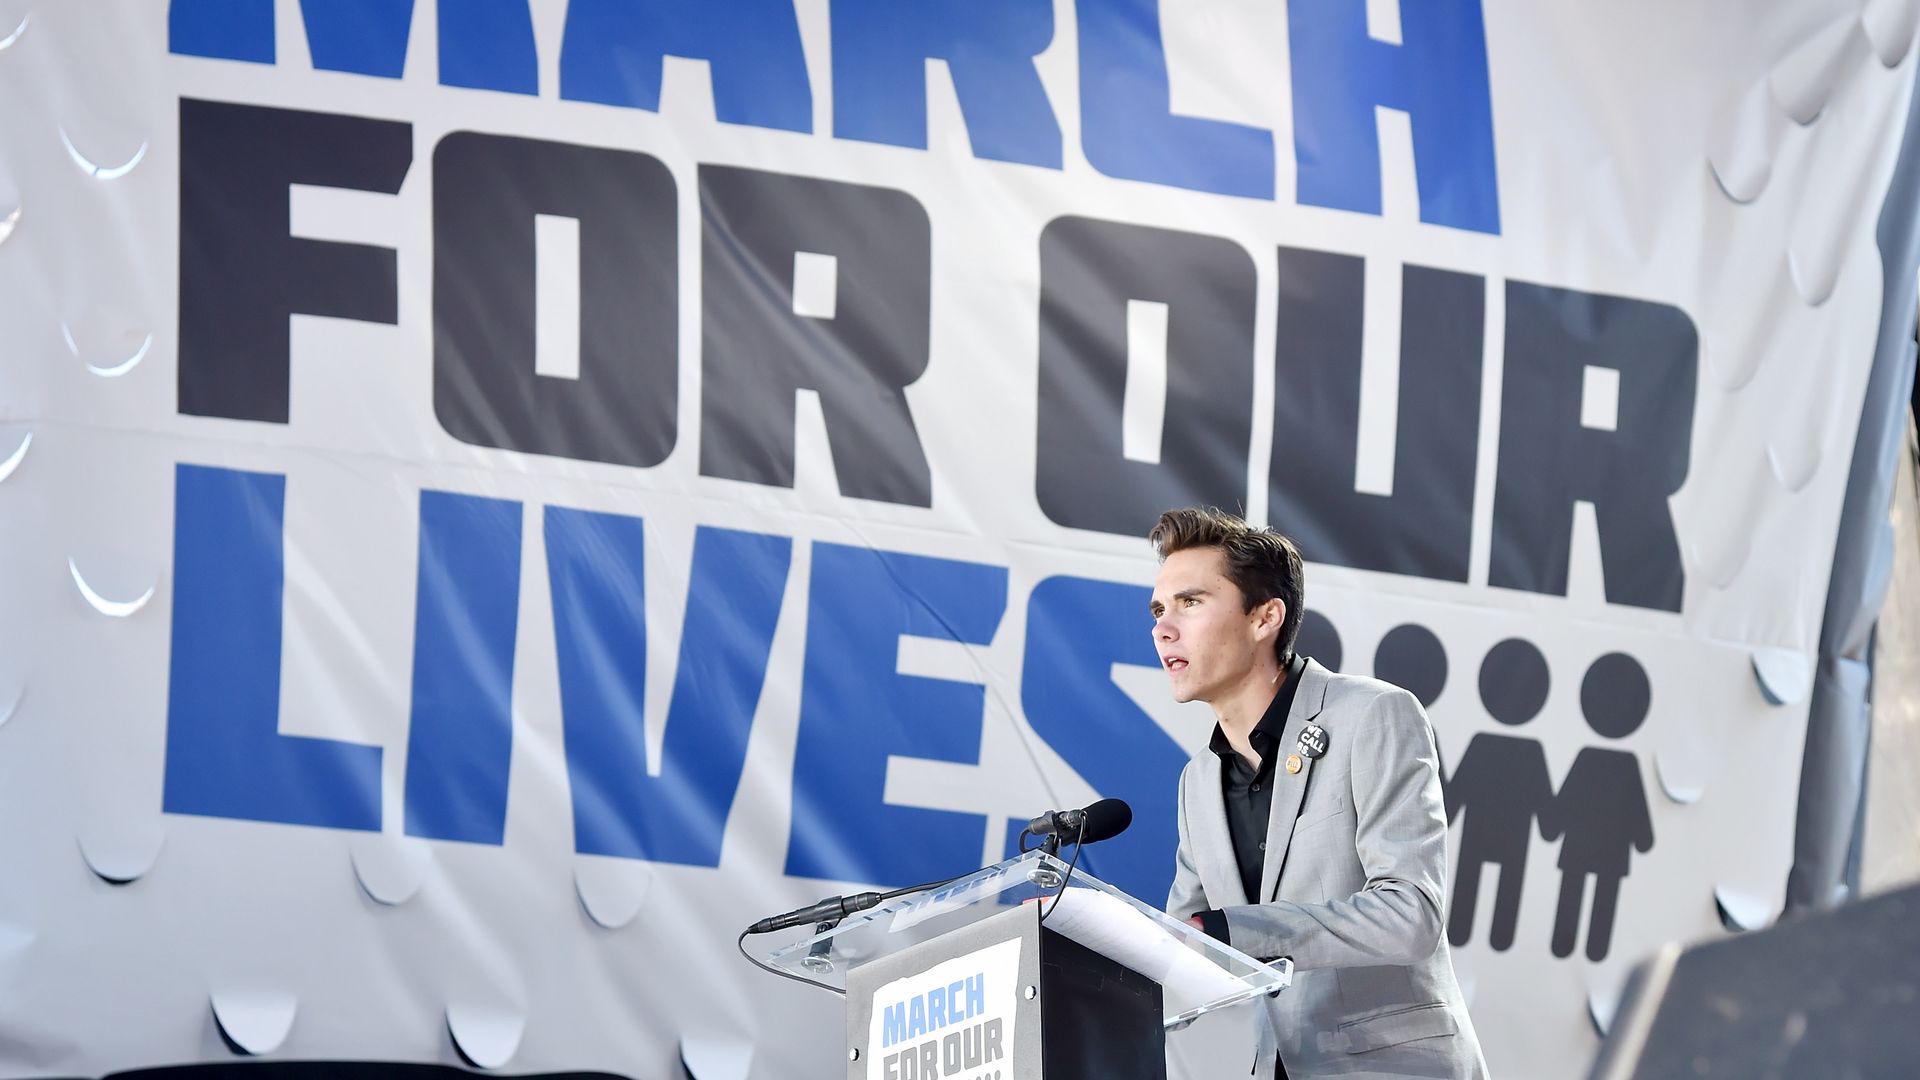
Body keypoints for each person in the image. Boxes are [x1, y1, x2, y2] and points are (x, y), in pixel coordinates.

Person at [1153, 507, 1486, 1079]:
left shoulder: (1374, 714)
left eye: (1191, 602)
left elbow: (1411, 914)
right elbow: (1183, 952)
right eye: (1159, 610)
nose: (1163, 628)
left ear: (1265, 619)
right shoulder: (1198, 781)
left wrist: (1238, 930)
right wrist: (1071, 951)